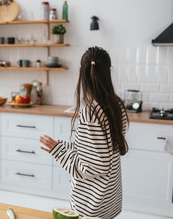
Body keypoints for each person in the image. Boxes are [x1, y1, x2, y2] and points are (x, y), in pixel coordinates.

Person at [40, 46, 128, 219]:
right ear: (108, 71)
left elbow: (90, 167)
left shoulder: (91, 112)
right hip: (110, 199)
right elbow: (97, 151)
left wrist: (57, 152)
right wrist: (61, 145)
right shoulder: (117, 104)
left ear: (81, 71)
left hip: (91, 204)